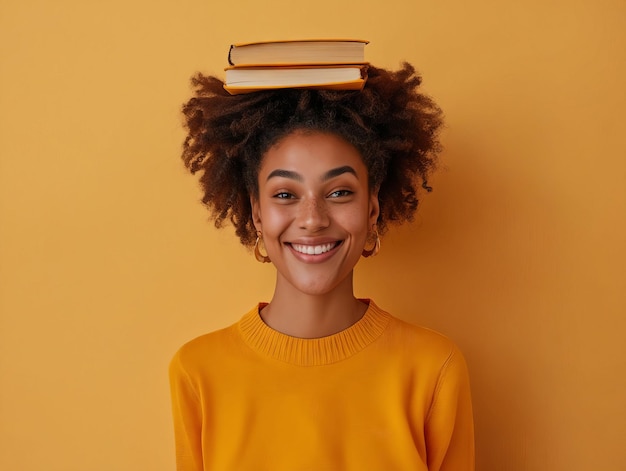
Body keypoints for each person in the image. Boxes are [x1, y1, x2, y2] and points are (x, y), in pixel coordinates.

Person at [169, 62, 474, 471]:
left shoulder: (434, 368)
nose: (312, 218)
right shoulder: (197, 373)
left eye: (340, 191)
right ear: (257, 213)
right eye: (284, 194)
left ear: (372, 209)